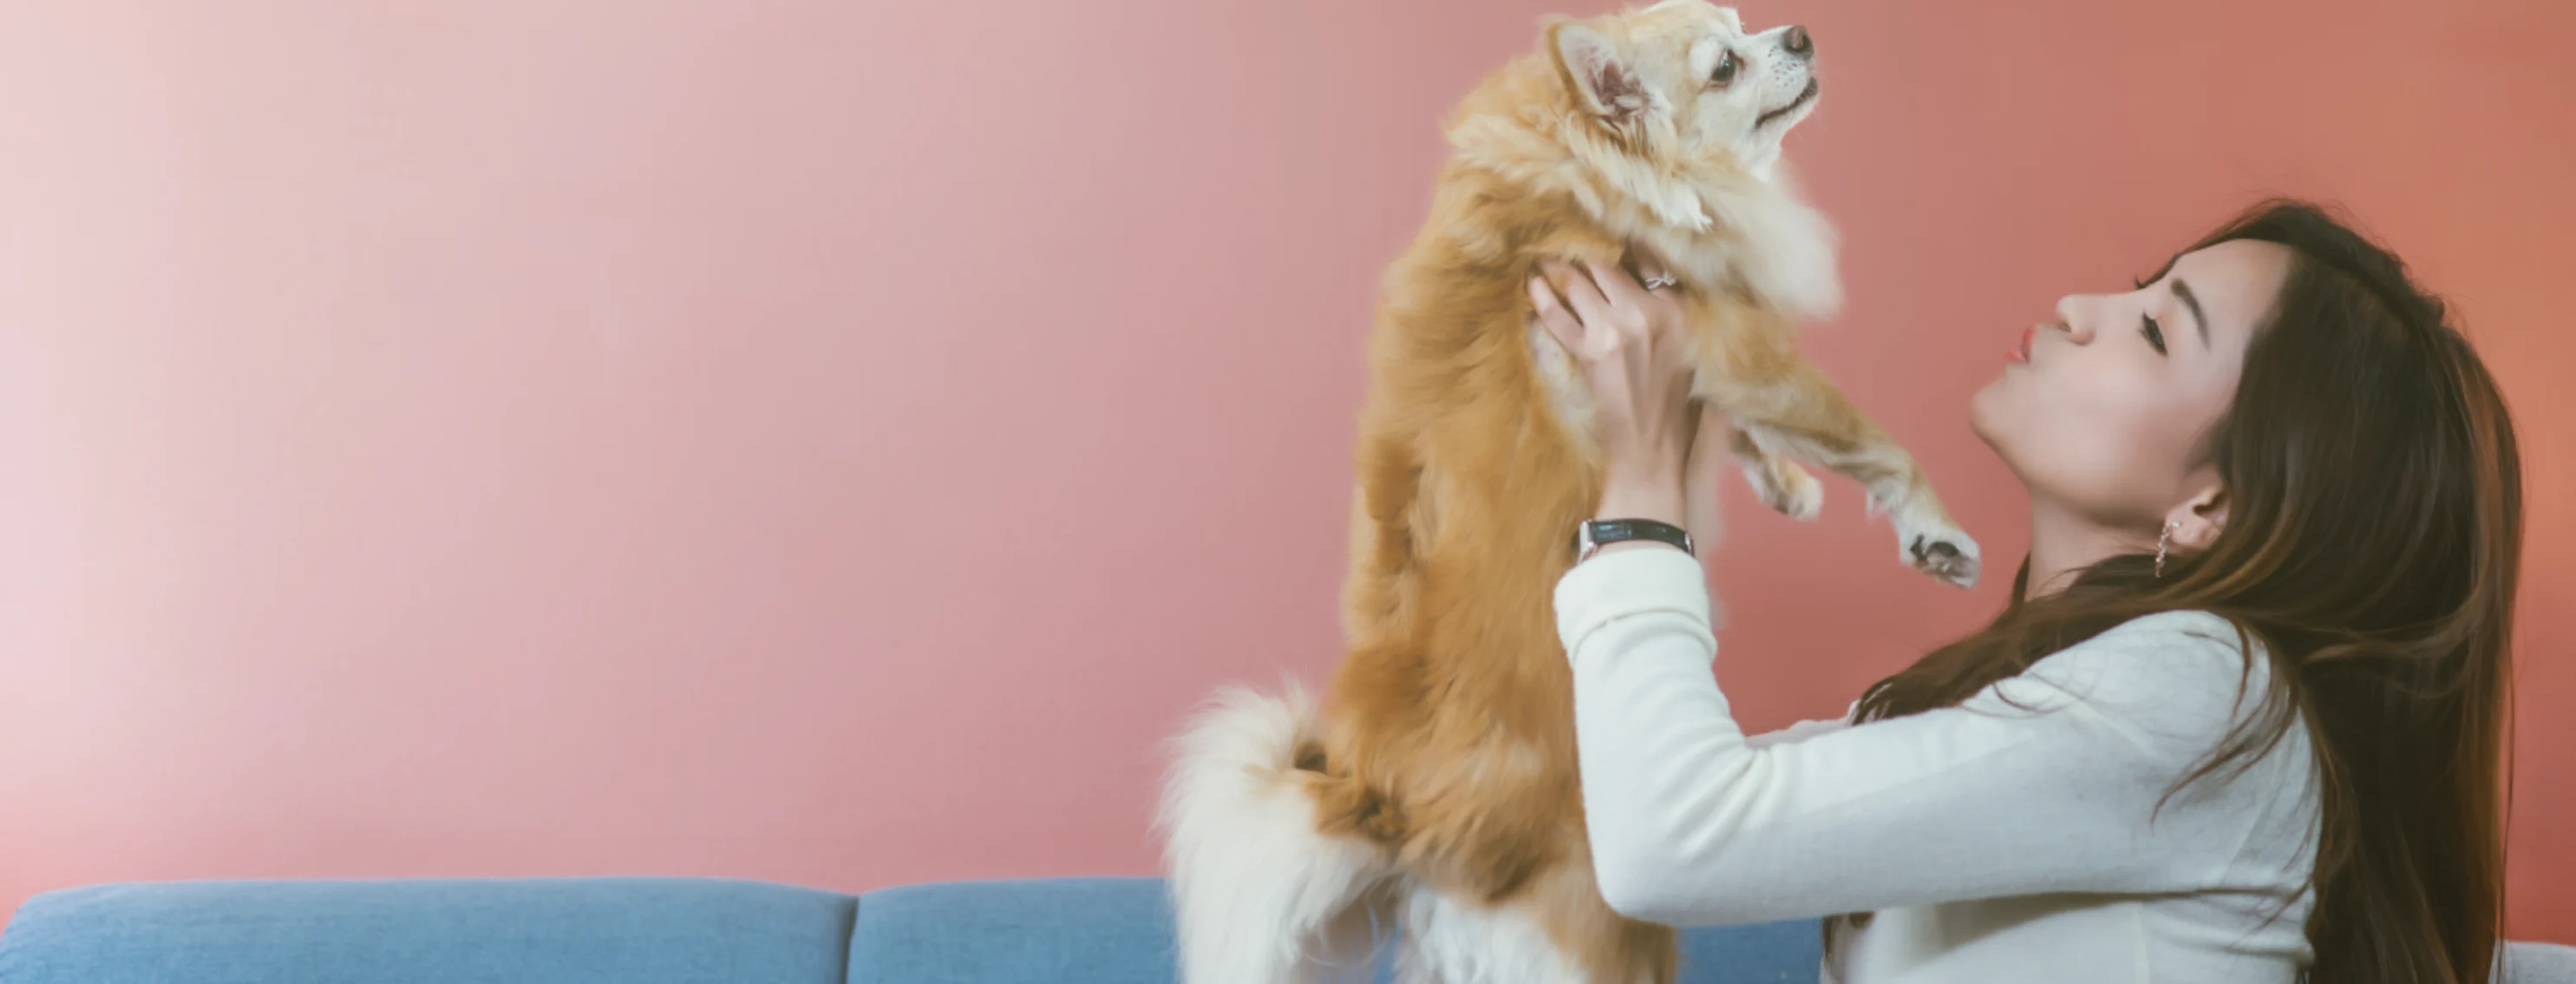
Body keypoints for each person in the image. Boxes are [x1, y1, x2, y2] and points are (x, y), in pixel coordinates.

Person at [1523, 199, 2520, 984]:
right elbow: (1629, 803)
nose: (2082, 310)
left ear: (2215, 504)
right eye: (2137, 292)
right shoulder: (2037, 711)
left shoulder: (2211, 692)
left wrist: (1644, 490)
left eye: (2158, 334)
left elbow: (1674, 846)